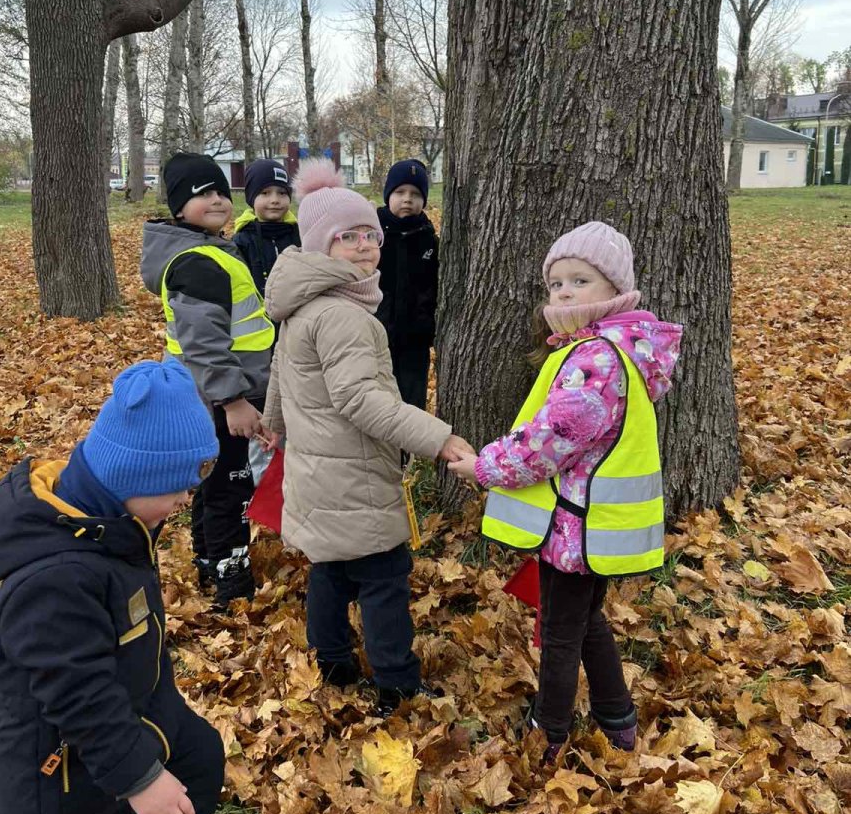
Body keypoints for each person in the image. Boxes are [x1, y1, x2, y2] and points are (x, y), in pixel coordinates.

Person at [0, 361, 226, 814]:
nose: (186, 500)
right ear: (130, 476)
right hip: (56, 771)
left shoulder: (114, 524)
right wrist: (141, 779)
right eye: (176, 488)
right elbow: (78, 695)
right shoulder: (57, 579)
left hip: (135, 712)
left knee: (199, 762)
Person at [449, 222, 682, 762]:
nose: (564, 292)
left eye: (581, 280)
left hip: (576, 524)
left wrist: (484, 468)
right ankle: (616, 716)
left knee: (558, 631)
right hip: (585, 524)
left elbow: (551, 441)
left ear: (615, 289)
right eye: (555, 284)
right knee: (584, 620)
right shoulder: (607, 351)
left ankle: (547, 733)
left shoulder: (595, 359)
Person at [258, 159, 474, 715]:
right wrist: (439, 438)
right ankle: (397, 684)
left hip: (316, 469)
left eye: (369, 235)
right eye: (346, 238)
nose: (363, 246)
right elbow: (362, 400)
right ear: (319, 245)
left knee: (330, 568)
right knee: (383, 579)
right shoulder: (344, 316)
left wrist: (274, 425)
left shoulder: (302, 305)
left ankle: (331, 662)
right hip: (352, 473)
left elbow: (282, 373)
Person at [140, 152, 274, 608]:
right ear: (180, 208)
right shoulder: (197, 261)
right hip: (218, 399)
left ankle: (206, 559)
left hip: (215, 394)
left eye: (221, 191)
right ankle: (229, 577)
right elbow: (202, 342)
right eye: (202, 195)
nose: (217, 201)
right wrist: (233, 400)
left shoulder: (211, 248)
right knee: (230, 485)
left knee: (215, 481)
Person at [376, 159, 439, 409]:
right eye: (400, 192)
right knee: (380, 401)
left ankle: (404, 450)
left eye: (415, 194)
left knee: (411, 403)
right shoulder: (374, 235)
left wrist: (428, 323)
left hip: (415, 339)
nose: (407, 199)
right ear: (388, 194)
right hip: (378, 336)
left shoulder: (428, 239)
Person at [233, 158, 302, 307]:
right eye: (265, 193)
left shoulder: (299, 234)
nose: (275, 200)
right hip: (259, 316)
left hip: (297, 314)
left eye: (282, 193)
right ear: (251, 198)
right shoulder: (242, 240)